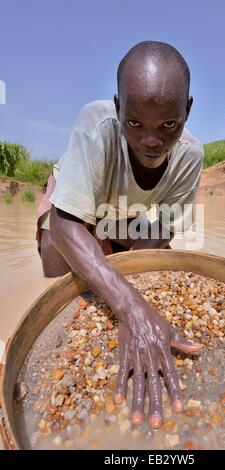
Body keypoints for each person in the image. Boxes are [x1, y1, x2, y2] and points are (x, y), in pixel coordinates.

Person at [36, 41, 204, 429]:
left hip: (119, 211)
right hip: (76, 196)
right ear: (118, 108)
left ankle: (104, 247)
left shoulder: (191, 157)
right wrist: (129, 308)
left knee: (129, 260)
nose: (151, 140)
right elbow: (64, 223)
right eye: (134, 124)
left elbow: (163, 229)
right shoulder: (96, 124)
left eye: (168, 125)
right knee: (56, 262)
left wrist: (122, 284)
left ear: (187, 111)